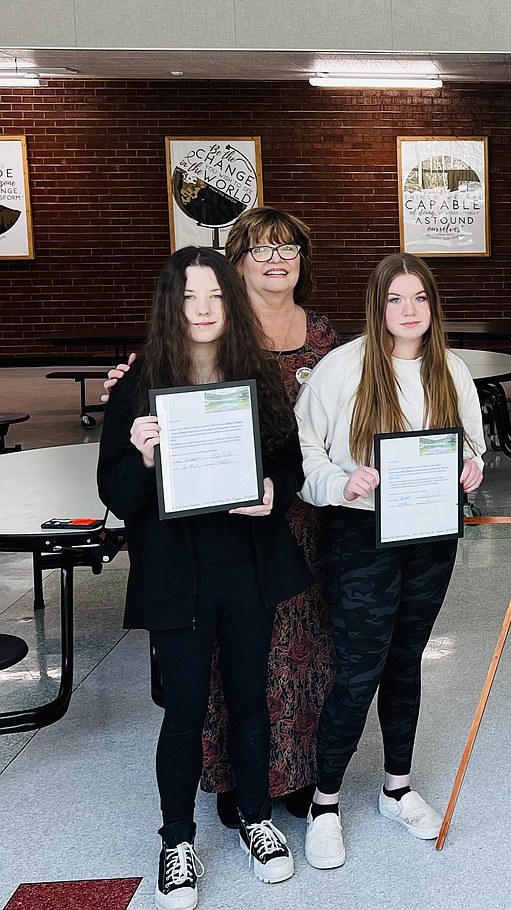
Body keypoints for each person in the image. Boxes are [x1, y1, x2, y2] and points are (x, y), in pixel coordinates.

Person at [105, 208, 340, 824]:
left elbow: (293, 459)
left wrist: (274, 486)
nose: (204, 308)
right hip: (184, 564)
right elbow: (117, 493)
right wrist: (142, 455)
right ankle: (194, 820)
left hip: (269, 551)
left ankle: (272, 798)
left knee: (271, 681)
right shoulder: (142, 385)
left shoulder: (272, 369)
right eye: (191, 297)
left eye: (215, 296)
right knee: (193, 697)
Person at [295, 252, 485, 869]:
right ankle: (324, 805)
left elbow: (474, 448)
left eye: (420, 299)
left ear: (433, 306)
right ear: (378, 306)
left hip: (432, 538)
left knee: (406, 662)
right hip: (362, 537)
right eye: (397, 299)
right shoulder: (342, 366)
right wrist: (341, 484)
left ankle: (395, 788)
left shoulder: (449, 368)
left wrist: (471, 470)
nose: (410, 311)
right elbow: (305, 450)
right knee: (358, 671)